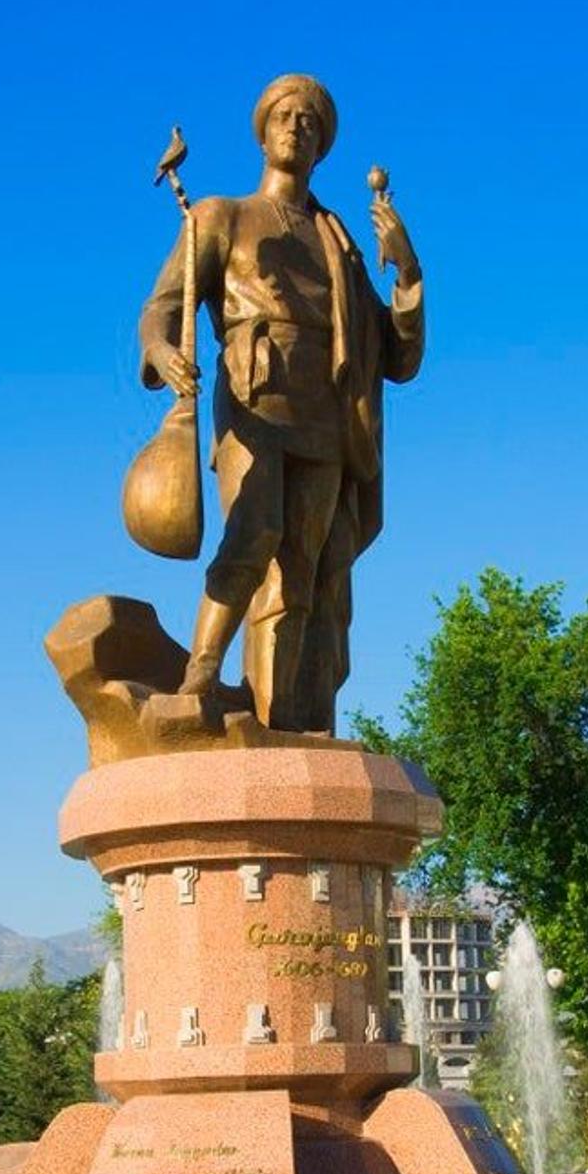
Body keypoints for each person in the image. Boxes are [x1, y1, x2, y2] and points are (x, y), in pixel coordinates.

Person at [139, 73, 424, 734]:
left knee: (302, 569)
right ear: (264, 131)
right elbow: (162, 308)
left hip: (326, 412)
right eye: (286, 116)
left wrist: (407, 275)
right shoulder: (219, 216)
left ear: (322, 145)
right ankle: (201, 673)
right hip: (255, 397)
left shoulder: (340, 244)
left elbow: (397, 357)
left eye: (311, 122)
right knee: (254, 530)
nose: (297, 126)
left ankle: (283, 719)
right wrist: (161, 352)